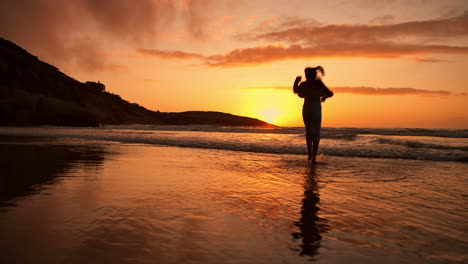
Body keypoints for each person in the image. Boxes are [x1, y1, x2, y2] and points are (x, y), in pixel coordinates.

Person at [293, 66, 333, 163]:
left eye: (307, 74)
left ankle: (310, 155)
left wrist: (296, 81)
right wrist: (324, 97)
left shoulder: (304, 84)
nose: (306, 76)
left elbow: (295, 91)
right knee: (315, 132)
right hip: (315, 107)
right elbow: (330, 93)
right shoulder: (318, 83)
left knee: (309, 131)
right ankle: (313, 156)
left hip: (307, 107)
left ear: (310, 74)